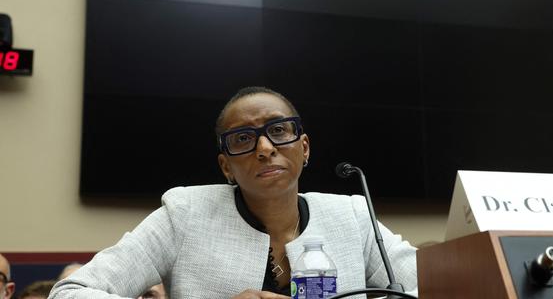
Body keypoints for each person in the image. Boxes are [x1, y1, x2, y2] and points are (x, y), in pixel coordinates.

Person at [49, 86, 417, 299]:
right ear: (226, 166)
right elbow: (69, 293)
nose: (264, 147)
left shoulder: (352, 218)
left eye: (278, 130)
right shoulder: (185, 215)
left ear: (304, 148)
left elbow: (435, 288)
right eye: (243, 138)